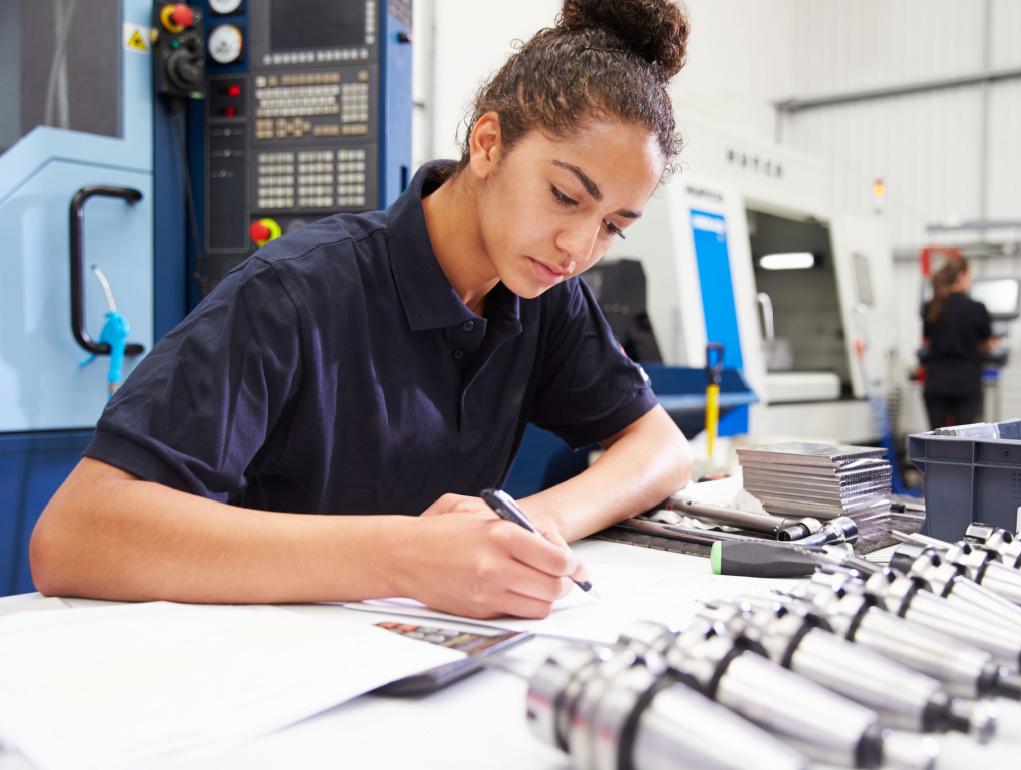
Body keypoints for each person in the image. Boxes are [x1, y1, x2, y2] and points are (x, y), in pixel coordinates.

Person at [29, 0, 694, 619]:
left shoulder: (546, 298)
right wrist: (406, 557)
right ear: (488, 144)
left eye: (613, 227)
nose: (578, 248)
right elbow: (74, 534)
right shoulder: (296, 291)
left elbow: (660, 447)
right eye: (564, 196)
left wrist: (531, 521)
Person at [921, 257, 996, 429]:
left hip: (936, 382)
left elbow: (927, 342)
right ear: (961, 276)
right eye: (970, 277)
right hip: (965, 382)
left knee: (935, 438)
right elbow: (987, 344)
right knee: (964, 439)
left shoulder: (931, 306)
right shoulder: (976, 308)